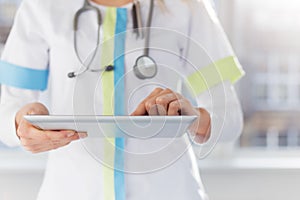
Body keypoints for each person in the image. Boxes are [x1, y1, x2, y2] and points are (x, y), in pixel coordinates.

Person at [0, 0, 244, 199]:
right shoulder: (41, 7)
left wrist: (191, 117)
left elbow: (231, 119)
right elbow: (7, 114)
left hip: (168, 191)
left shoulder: (187, 7)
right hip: (71, 191)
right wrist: (21, 122)